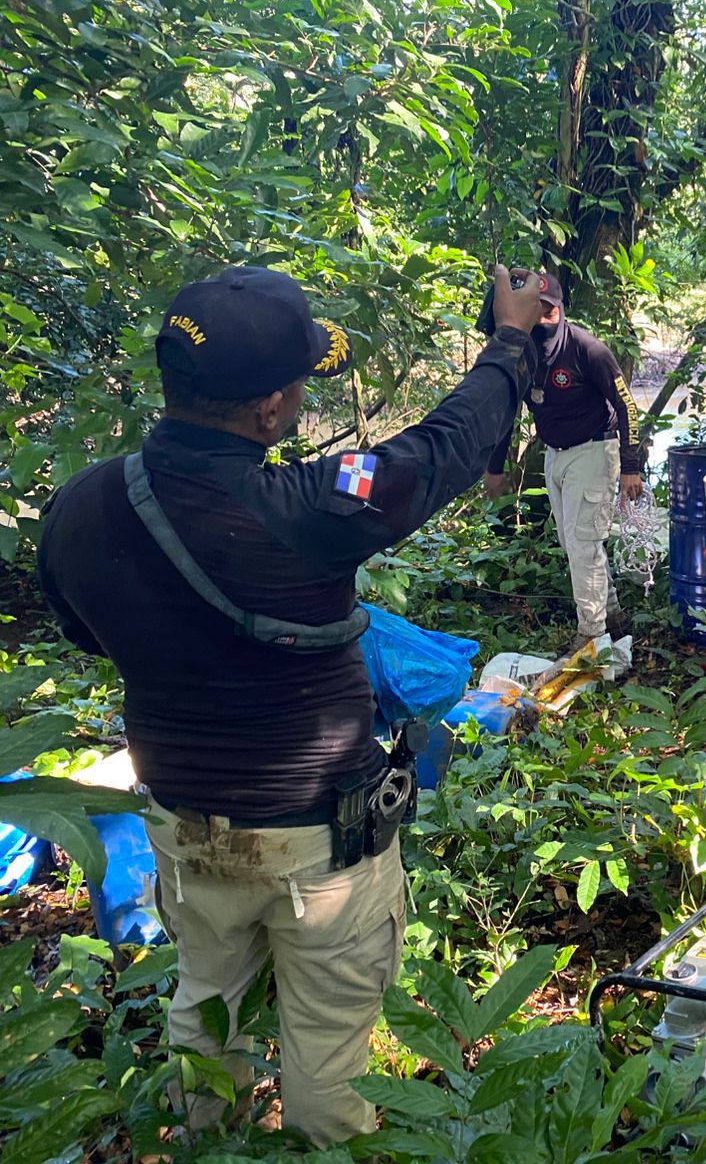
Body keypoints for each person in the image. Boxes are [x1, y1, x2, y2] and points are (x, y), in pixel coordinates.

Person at [36, 265, 542, 1144]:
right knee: (328, 1061)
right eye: (300, 383)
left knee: (205, 1007)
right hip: (318, 843)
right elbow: (445, 446)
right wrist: (509, 341)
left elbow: (88, 636)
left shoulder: (80, 507)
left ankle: (208, 1144)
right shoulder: (309, 506)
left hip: (184, 828)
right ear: (269, 411)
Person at [481, 271, 643, 652]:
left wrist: (631, 466)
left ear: (560, 310)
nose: (543, 322)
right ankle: (613, 615)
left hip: (594, 450)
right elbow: (505, 412)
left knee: (584, 544)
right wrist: (495, 467)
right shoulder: (522, 357)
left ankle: (591, 636)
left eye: (549, 313)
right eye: (534, 314)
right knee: (574, 544)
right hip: (556, 456)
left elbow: (627, 406)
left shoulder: (588, 350)